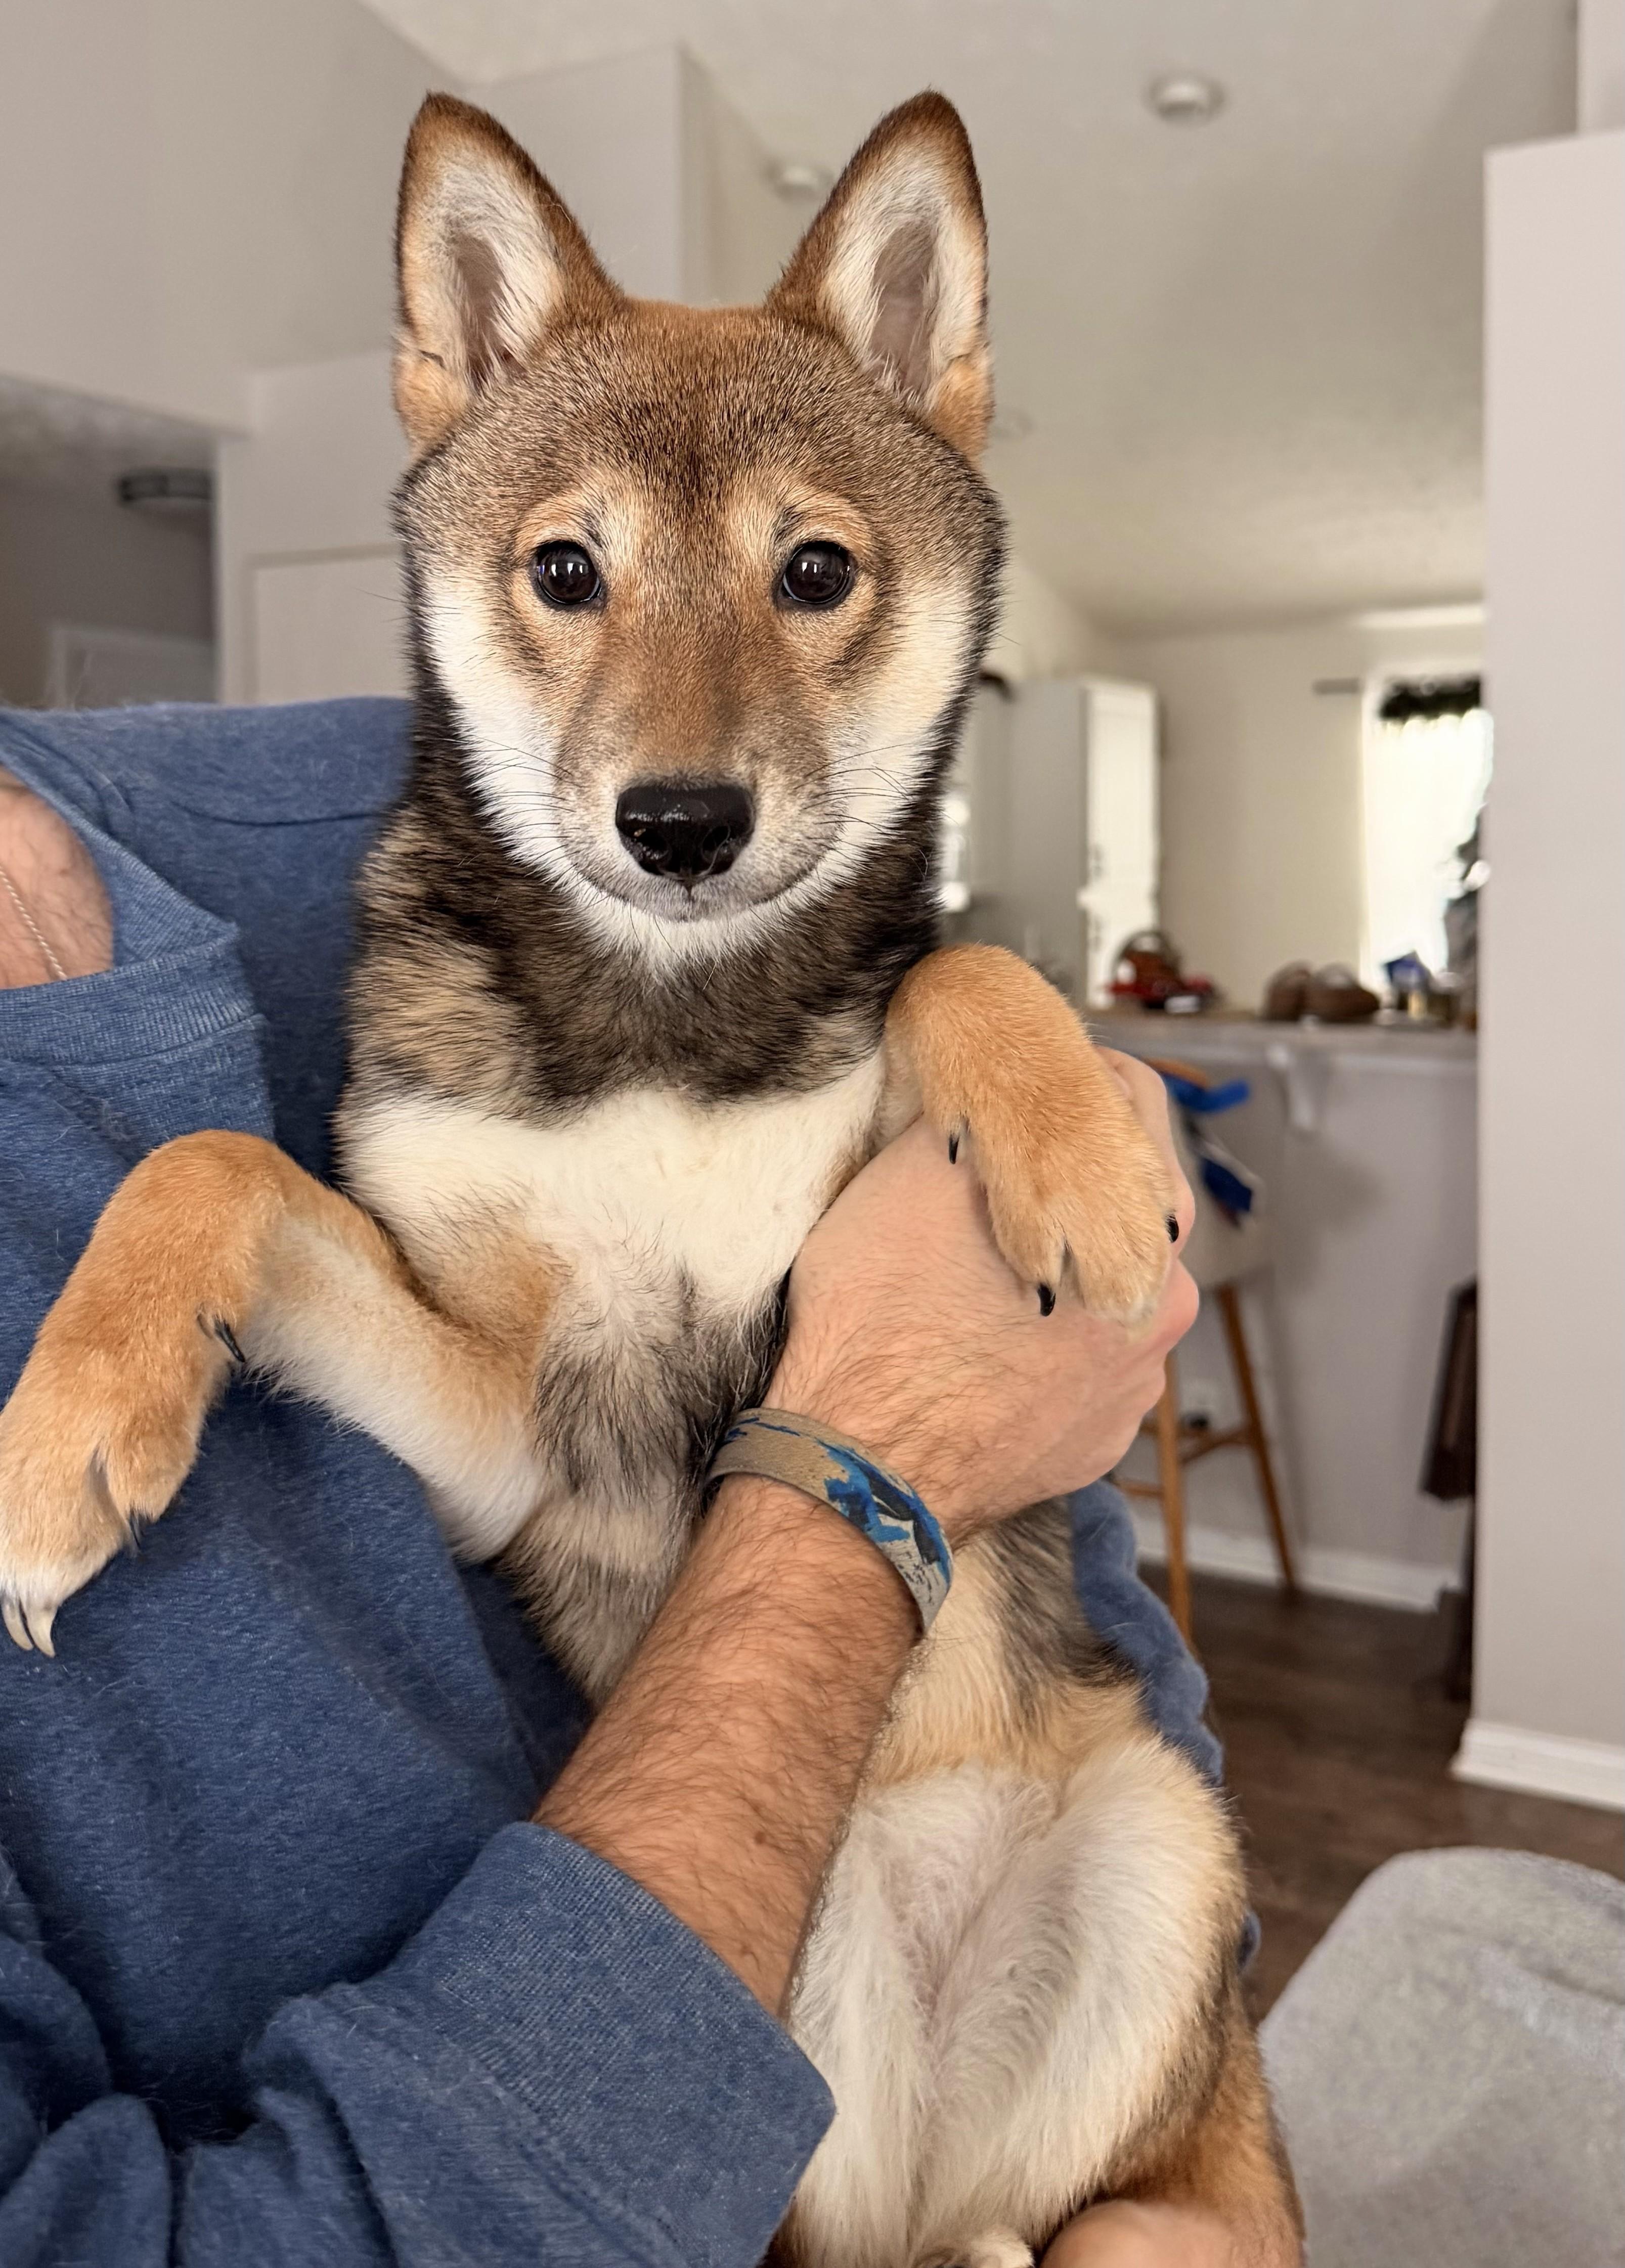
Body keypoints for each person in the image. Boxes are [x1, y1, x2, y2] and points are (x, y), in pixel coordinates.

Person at [0, 699, 1248, 2267]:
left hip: (1044, 1855)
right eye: (573, 581)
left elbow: (1041, 1418)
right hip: (730, 2038)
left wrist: (1221, 2203)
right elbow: (515, 1435)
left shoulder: (523, 773)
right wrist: (195, 1230)